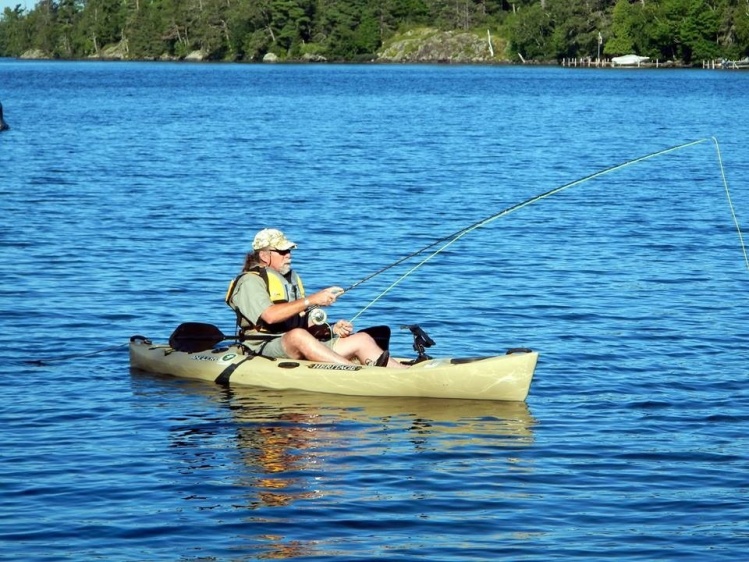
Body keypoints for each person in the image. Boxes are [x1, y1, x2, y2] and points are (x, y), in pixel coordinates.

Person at [226, 228, 406, 368]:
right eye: (282, 251)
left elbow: (302, 319)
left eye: (289, 250)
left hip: (297, 339)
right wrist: (311, 300)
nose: (288, 254)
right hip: (263, 346)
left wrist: (332, 329)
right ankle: (355, 371)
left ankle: (405, 375)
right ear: (264, 255)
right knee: (298, 335)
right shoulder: (249, 281)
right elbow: (270, 316)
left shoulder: (291, 278)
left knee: (362, 339)